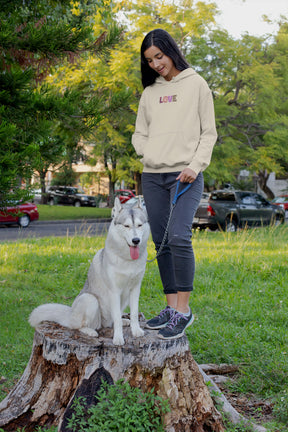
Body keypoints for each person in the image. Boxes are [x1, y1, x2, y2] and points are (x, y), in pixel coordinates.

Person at [132, 29, 217, 340]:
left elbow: (209, 133)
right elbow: (139, 134)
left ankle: (183, 310)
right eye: (149, 60)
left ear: (170, 51)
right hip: (153, 176)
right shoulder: (150, 93)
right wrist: (150, 152)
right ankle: (170, 308)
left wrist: (195, 166)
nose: (155, 64)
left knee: (180, 237)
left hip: (186, 175)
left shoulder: (196, 84)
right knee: (162, 242)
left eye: (159, 56)